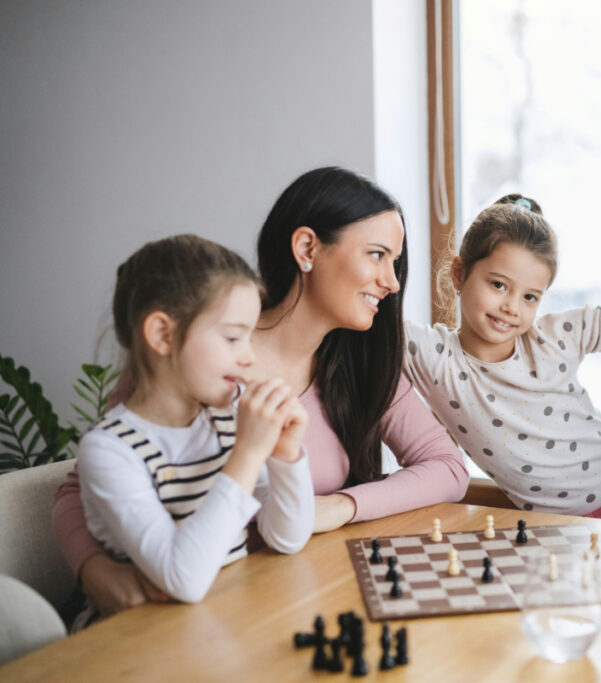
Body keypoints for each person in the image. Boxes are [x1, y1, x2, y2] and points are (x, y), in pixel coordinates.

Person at [53, 168, 470, 617]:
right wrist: (93, 571)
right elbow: (80, 487)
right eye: (377, 255)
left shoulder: (364, 366)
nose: (392, 282)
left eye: (395, 262)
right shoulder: (191, 364)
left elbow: (448, 468)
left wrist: (341, 506)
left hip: (284, 598)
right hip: (182, 610)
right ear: (307, 248)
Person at [403, 195, 601, 519]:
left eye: (529, 297)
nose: (512, 306)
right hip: (556, 522)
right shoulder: (431, 355)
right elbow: (368, 325)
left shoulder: (554, 338)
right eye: (498, 285)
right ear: (458, 273)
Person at [72, 234, 314, 629]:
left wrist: (286, 455)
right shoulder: (110, 450)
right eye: (233, 337)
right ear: (163, 335)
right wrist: (248, 456)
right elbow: (183, 578)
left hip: (221, 622)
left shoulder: (226, 419)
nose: (249, 356)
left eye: (249, 338)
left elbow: (288, 539)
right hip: (136, 640)